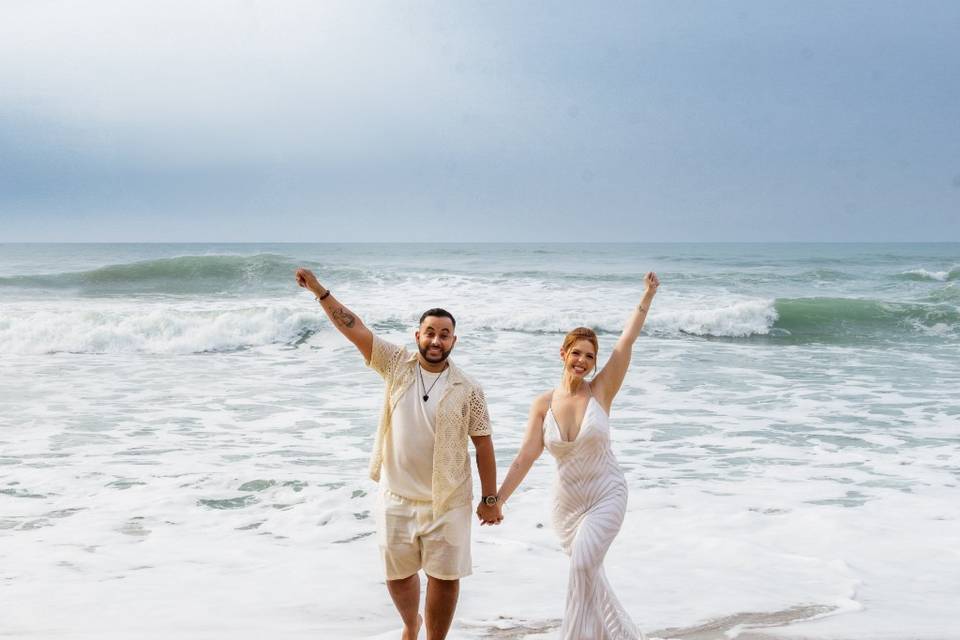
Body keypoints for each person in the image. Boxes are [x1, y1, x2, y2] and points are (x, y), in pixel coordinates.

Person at [294, 268, 501, 640]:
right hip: (396, 495)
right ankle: (410, 625)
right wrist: (320, 292)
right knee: (397, 575)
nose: (436, 340)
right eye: (429, 332)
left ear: (454, 340)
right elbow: (354, 327)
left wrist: (490, 498)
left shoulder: (468, 388)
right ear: (417, 335)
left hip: (447, 501)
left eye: (444, 334)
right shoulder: (396, 365)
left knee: (445, 576)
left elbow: (483, 443)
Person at [496, 271, 660, 640]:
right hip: (567, 506)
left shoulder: (602, 391)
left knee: (583, 565)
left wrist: (647, 295)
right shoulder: (542, 404)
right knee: (590, 577)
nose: (583, 361)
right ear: (563, 354)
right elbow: (525, 457)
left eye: (590, 356)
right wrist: (497, 500)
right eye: (577, 354)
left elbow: (627, 340)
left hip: (606, 494)